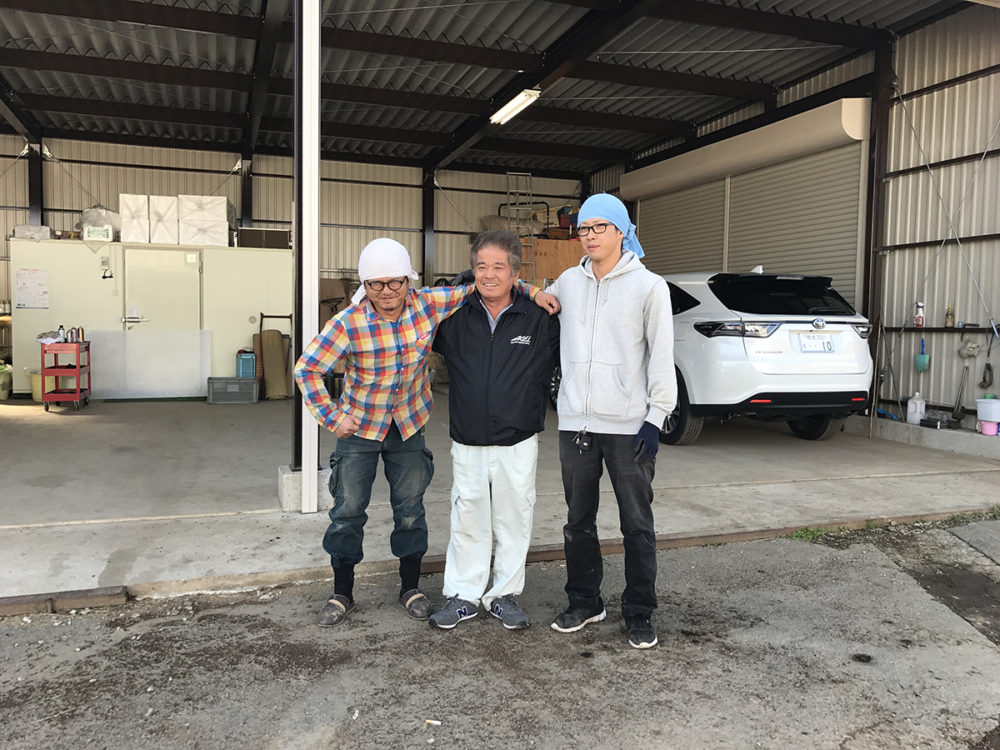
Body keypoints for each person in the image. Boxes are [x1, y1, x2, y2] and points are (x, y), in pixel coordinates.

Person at [294, 238, 557, 628]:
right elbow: (307, 369)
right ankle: (342, 592)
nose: (387, 291)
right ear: (365, 285)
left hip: (408, 426)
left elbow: (488, 281)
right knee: (348, 511)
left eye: (395, 282)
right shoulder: (348, 323)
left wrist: (531, 290)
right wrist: (332, 417)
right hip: (360, 430)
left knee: (410, 512)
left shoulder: (428, 305)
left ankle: (411, 589)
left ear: (408, 281)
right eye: (376, 284)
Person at [545, 193, 676, 649]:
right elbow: (540, 298)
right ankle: (585, 600)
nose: (590, 235)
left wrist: (656, 418)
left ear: (622, 231)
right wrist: (536, 292)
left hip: (628, 425)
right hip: (576, 424)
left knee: (636, 523)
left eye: (600, 226)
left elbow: (661, 355)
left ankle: (639, 610)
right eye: (584, 228)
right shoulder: (568, 281)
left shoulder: (649, 287)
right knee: (577, 521)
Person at [427, 230, 559, 631]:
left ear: (515, 273)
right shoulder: (453, 315)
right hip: (468, 438)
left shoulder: (539, 317)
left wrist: (533, 292)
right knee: (467, 516)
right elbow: (405, 308)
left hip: (518, 439)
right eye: (481, 266)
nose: (489, 274)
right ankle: (464, 595)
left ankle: (504, 594)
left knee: (514, 517)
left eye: (499, 267)